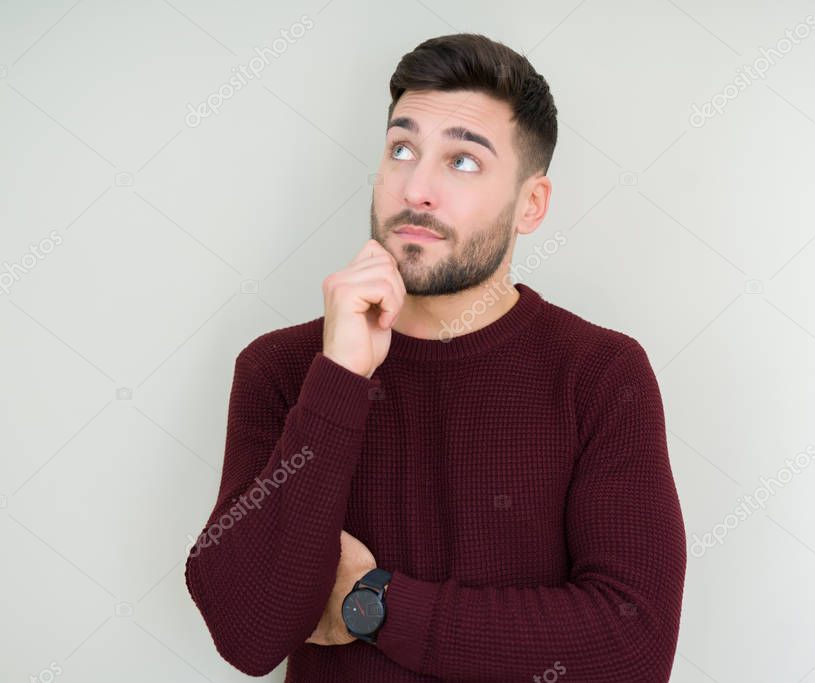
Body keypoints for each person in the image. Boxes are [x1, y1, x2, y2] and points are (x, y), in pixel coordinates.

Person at [185, 32, 686, 682]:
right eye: (401, 149)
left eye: (463, 161)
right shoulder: (283, 368)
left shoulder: (598, 374)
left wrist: (375, 603)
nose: (416, 188)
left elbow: (630, 649)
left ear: (530, 205)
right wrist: (338, 379)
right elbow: (247, 632)